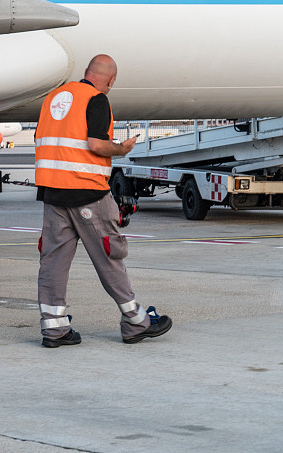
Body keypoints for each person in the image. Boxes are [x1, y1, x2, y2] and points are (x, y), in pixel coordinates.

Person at [34, 54, 172, 347]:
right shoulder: (95, 99)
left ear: (86, 72)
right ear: (110, 80)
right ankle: (136, 321)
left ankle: (54, 329)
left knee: (53, 261)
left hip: (52, 193)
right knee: (110, 255)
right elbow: (95, 144)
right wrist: (121, 149)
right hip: (87, 193)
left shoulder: (54, 98)